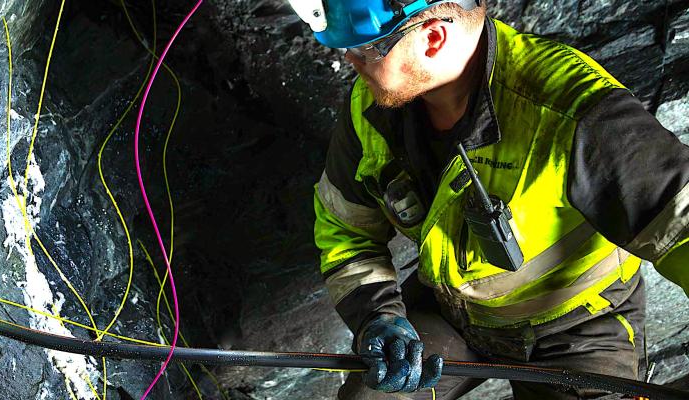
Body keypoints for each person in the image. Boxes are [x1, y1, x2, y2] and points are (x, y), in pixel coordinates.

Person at [290, 0, 689, 398]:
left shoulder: (569, 110)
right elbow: (345, 228)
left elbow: (682, 227)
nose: (350, 60)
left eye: (366, 48)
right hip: (449, 313)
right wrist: (377, 315)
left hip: (578, 327)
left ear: (432, 38)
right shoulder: (370, 107)